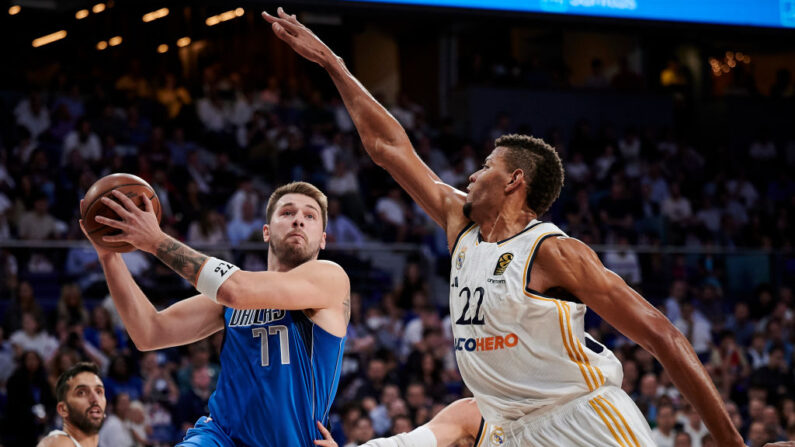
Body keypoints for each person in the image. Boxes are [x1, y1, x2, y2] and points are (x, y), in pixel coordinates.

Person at [263, 8, 795, 447]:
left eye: (486, 167)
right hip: (511, 431)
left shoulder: (555, 252)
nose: (471, 174)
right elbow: (387, 148)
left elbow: (663, 335)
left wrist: (732, 444)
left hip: (585, 421)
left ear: (514, 180)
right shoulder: (461, 225)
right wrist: (332, 62)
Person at [80, 181, 350, 446]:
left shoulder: (330, 278)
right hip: (219, 437)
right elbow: (150, 332)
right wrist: (109, 257)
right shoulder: (233, 297)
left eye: (310, 216)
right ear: (266, 232)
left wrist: (155, 241)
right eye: (288, 212)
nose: (299, 221)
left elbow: (235, 289)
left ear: (323, 239)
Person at [37, 362, 106, 447]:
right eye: (81, 392)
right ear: (63, 409)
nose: (95, 399)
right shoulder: (58, 442)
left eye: (99, 391)